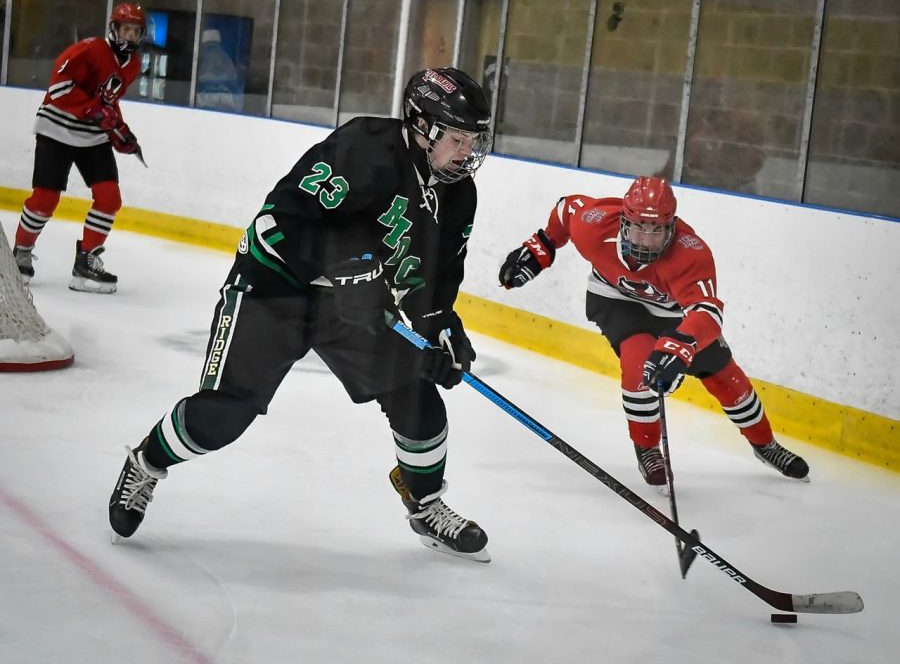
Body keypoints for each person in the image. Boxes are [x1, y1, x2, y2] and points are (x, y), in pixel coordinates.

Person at [108, 67, 494, 561]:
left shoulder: (460, 194)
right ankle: (145, 463)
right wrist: (347, 268)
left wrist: (440, 327)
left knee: (416, 394)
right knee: (225, 414)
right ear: (422, 126)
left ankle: (425, 506)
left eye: (473, 140)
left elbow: (437, 276)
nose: (467, 152)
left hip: (352, 308)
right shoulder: (366, 146)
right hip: (276, 285)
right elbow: (281, 220)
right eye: (457, 138)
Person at [498, 176, 809, 488]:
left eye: (657, 230)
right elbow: (567, 209)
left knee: (723, 374)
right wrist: (540, 248)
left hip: (672, 313)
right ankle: (647, 448)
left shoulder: (691, 253)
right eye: (639, 228)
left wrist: (681, 346)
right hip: (614, 299)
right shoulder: (595, 225)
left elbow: (708, 313)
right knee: (637, 361)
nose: (646, 240)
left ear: (671, 227)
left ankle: (764, 443)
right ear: (623, 221)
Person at [13, 2, 146, 294]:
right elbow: (58, 88)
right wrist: (91, 109)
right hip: (57, 128)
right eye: (126, 29)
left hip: (92, 136)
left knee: (109, 198)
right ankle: (20, 252)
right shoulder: (90, 49)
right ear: (114, 29)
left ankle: (86, 261)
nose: (131, 36)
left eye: (136, 31)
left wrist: (119, 130)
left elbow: (108, 101)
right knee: (45, 199)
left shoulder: (133, 65)